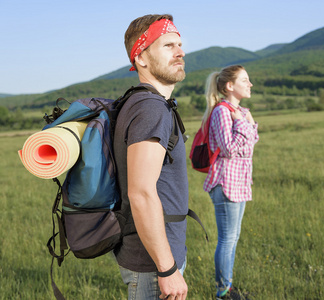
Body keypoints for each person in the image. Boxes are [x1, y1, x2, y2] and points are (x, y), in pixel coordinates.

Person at [113, 14, 188, 300]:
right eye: (168, 45)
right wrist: (167, 270)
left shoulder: (141, 102)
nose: (180, 51)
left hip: (153, 255)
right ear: (141, 59)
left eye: (180, 44)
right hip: (154, 263)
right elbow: (141, 193)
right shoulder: (151, 109)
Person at [201, 65, 259, 299]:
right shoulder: (222, 112)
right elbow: (230, 148)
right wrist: (244, 125)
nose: (250, 84)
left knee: (233, 238)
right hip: (226, 184)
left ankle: (228, 287)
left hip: (240, 183)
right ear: (229, 86)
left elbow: (253, 142)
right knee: (227, 239)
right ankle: (223, 291)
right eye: (245, 80)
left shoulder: (241, 112)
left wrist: (244, 124)